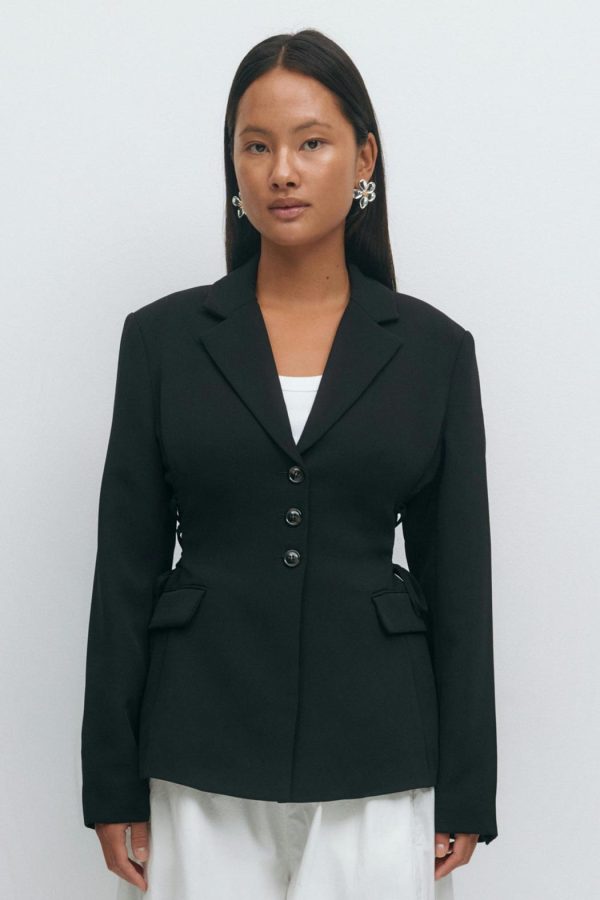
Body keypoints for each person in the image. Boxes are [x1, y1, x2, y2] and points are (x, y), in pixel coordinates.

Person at [81, 28, 497, 900]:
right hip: (199, 745)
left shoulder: (434, 350)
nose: (282, 172)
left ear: (364, 157)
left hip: (380, 752)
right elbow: (123, 573)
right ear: (233, 164)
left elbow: (459, 581)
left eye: (311, 143)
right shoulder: (161, 341)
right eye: (256, 146)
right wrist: (110, 782)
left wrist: (468, 785)